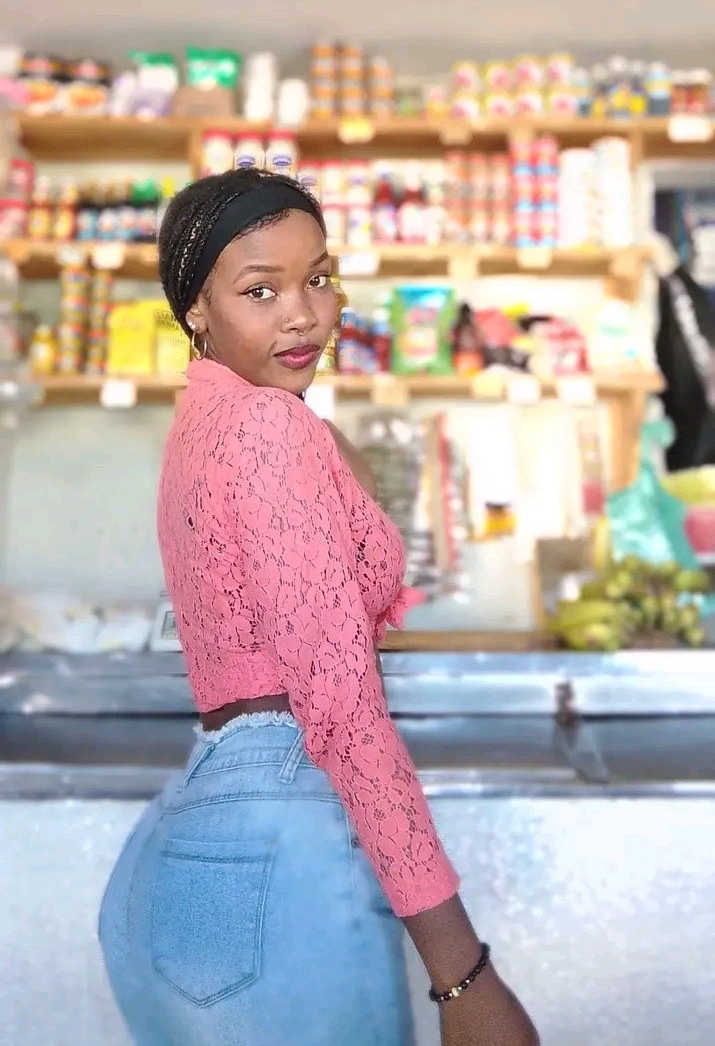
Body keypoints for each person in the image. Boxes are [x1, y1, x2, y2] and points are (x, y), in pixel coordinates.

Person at [98, 167, 539, 1046]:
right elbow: (341, 708)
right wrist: (463, 976)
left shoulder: (210, 422)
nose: (303, 315)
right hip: (282, 840)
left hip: (197, 840)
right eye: (260, 290)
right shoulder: (269, 429)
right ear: (196, 309)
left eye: (319, 279)